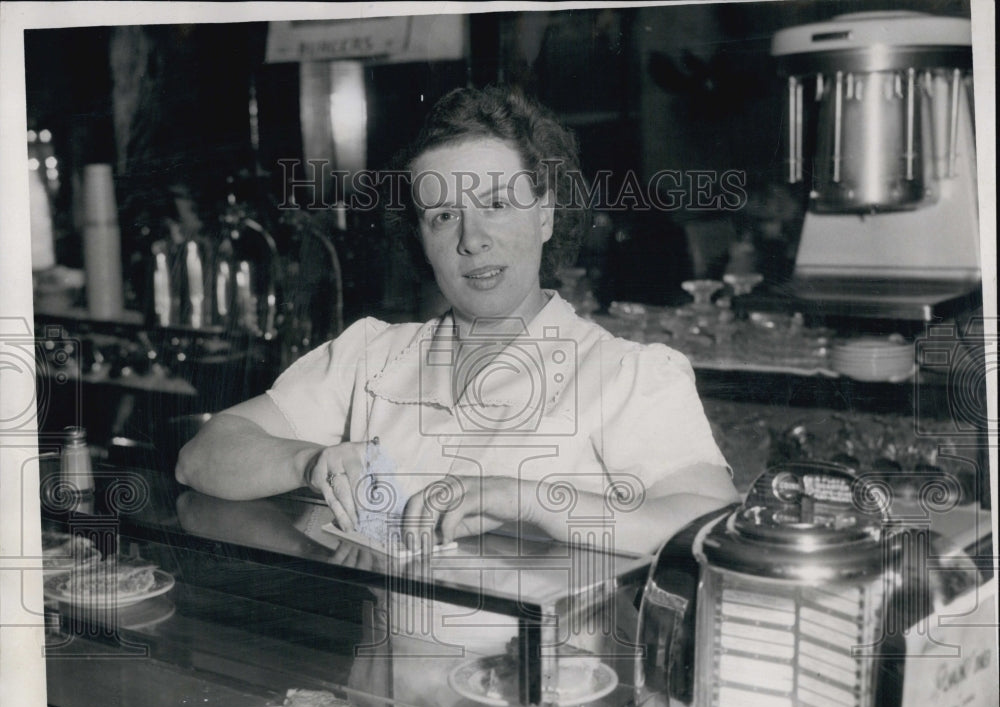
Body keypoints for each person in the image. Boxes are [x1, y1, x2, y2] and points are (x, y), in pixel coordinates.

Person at [175, 85, 738, 557]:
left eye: (496, 204)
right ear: (422, 238)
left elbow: (711, 520)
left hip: (547, 682)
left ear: (546, 214)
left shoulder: (625, 373)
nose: (472, 240)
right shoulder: (372, 355)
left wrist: (531, 499)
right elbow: (202, 455)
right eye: (444, 216)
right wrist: (308, 460)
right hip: (385, 685)